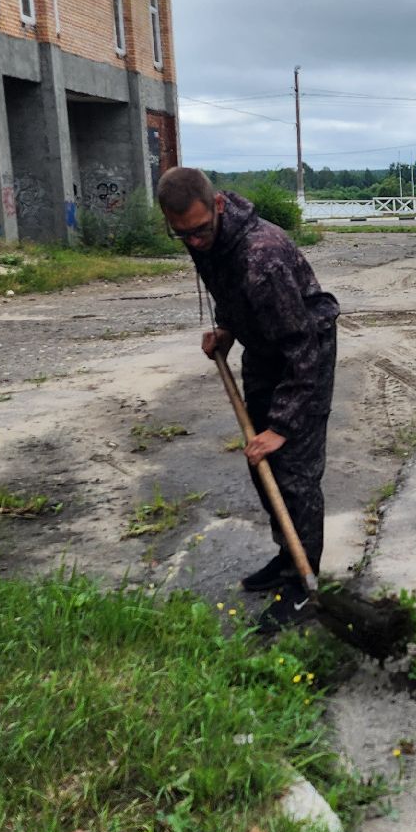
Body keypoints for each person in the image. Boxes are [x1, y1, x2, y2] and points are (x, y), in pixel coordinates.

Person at [155, 167, 340, 633]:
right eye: (182, 234)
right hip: (263, 345)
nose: (194, 242)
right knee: (262, 462)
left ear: (217, 206)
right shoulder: (209, 239)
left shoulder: (263, 256)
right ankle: (287, 557)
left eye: (200, 230)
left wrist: (282, 426)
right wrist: (228, 329)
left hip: (305, 351)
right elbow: (231, 290)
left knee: (294, 471)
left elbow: (302, 346)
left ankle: (304, 581)